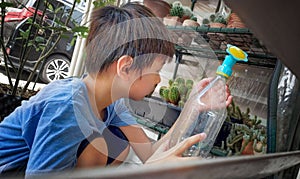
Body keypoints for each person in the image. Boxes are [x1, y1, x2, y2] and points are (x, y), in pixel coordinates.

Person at [0, 2, 232, 178]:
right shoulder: (67, 106)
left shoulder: (111, 102)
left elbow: (150, 154)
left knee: (116, 142)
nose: (158, 80)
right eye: (157, 68)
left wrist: (191, 108)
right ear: (126, 67)